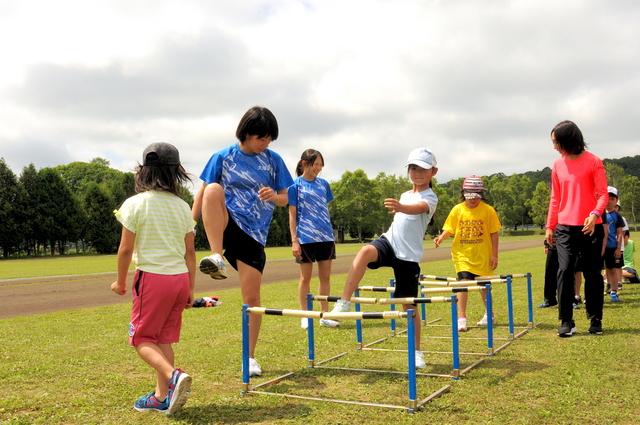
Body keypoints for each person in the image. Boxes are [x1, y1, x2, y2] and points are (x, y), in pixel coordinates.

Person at [192, 106, 293, 377]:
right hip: (225, 222)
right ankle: (216, 256)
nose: (266, 143)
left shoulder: (273, 160)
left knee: (252, 297)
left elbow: (287, 198)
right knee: (213, 188)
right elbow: (202, 191)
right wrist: (189, 226)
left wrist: (274, 195)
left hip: (254, 233)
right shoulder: (222, 157)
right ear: (246, 133)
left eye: (270, 139)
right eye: (262, 138)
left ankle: (249, 357)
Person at [330, 148, 438, 369]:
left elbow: (419, 208)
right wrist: (401, 204)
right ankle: (344, 302)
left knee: (409, 307)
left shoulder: (430, 197)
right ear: (409, 170)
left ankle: (417, 351)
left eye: (423, 169)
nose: (418, 173)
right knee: (364, 252)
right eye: (414, 168)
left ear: (433, 172)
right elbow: (406, 209)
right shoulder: (405, 194)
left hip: (408, 256)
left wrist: (401, 207)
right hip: (389, 242)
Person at [111, 142, 195, 414]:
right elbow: (190, 253)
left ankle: (174, 377)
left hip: (153, 279)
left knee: (141, 339)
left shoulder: (134, 204)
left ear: (143, 171)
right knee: (163, 339)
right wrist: (191, 289)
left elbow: (125, 249)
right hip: (180, 280)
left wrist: (120, 282)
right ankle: (161, 398)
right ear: (176, 172)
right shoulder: (183, 207)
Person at [545, 120, 607, 337]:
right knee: (564, 270)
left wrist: (595, 214)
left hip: (590, 227)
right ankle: (566, 320)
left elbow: (603, 194)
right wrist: (550, 226)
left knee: (592, 273)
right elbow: (555, 197)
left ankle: (595, 318)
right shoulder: (557, 165)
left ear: (568, 140)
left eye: (556, 142)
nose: (554, 146)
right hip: (564, 227)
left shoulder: (594, 162)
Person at [434, 175, 501, 332]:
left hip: (483, 256)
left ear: (481, 195)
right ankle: (461, 317)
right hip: (462, 255)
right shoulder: (457, 210)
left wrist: (494, 255)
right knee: (463, 283)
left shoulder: (488, 210)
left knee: (483, 287)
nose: (472, 200)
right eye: (469, 196)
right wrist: (441, 237)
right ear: (464, 193)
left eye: (476, 196)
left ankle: (489, 313)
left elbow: (494, 233)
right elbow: (450, 228)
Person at [288, 149, 339, 329]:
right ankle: (306, 315)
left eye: (320, 165)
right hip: (305, 238)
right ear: (304, 164)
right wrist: (295, 240)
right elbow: (292, 215)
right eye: (315, 164)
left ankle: (324, 315)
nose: (318, 168)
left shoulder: (324, 184)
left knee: (325, 277)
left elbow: (323, 209)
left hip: (325, 236)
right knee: (305, 278)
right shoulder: (294, 186)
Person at [602, 186, 624, 302]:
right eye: (606, 198)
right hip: (600, 247)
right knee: (597, 270)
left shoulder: (617, 216)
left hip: (611, 247)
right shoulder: (599, 214)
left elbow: (620, 233)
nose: (609, 201)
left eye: (612, 199)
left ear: (616, 201)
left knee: (611, 269)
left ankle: (614, 291)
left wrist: (618, 249)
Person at [537, 237, 558, 308]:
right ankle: (549, 299)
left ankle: (570, 300)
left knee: (567, 273)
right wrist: (546, 245)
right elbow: (548, 228)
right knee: (550, 273)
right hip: (553, 245)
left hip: (567, 244)